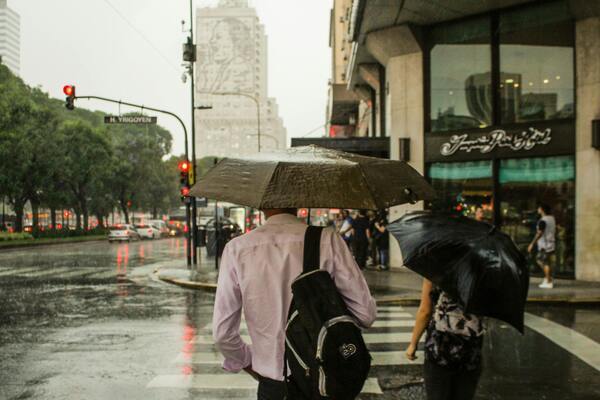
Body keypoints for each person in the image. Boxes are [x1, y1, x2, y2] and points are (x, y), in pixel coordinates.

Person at [212, 208, 377, 400]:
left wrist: (248, 361)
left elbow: (223, 334)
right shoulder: (327, 240)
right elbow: (366, 314)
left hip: (274, 385)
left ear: (261, 205)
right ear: (300, 200)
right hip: (325, 379)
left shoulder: (237, 249)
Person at [406, 279, 485, 400]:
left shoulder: (436, 267)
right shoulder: (484, 272)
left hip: (441, 346)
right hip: (471, 348)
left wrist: (413, 344)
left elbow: (425, 311)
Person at [528, 203, 556, 289]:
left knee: (541, 261)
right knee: (546, 262)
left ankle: (548, 281)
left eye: (539, 208)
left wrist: (532, 243)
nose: (538, 209)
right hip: (551, 243)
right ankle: (548, 278)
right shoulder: (552, 218)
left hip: (544, 245)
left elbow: (539, 233)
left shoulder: (543, 220)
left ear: (542, 209)